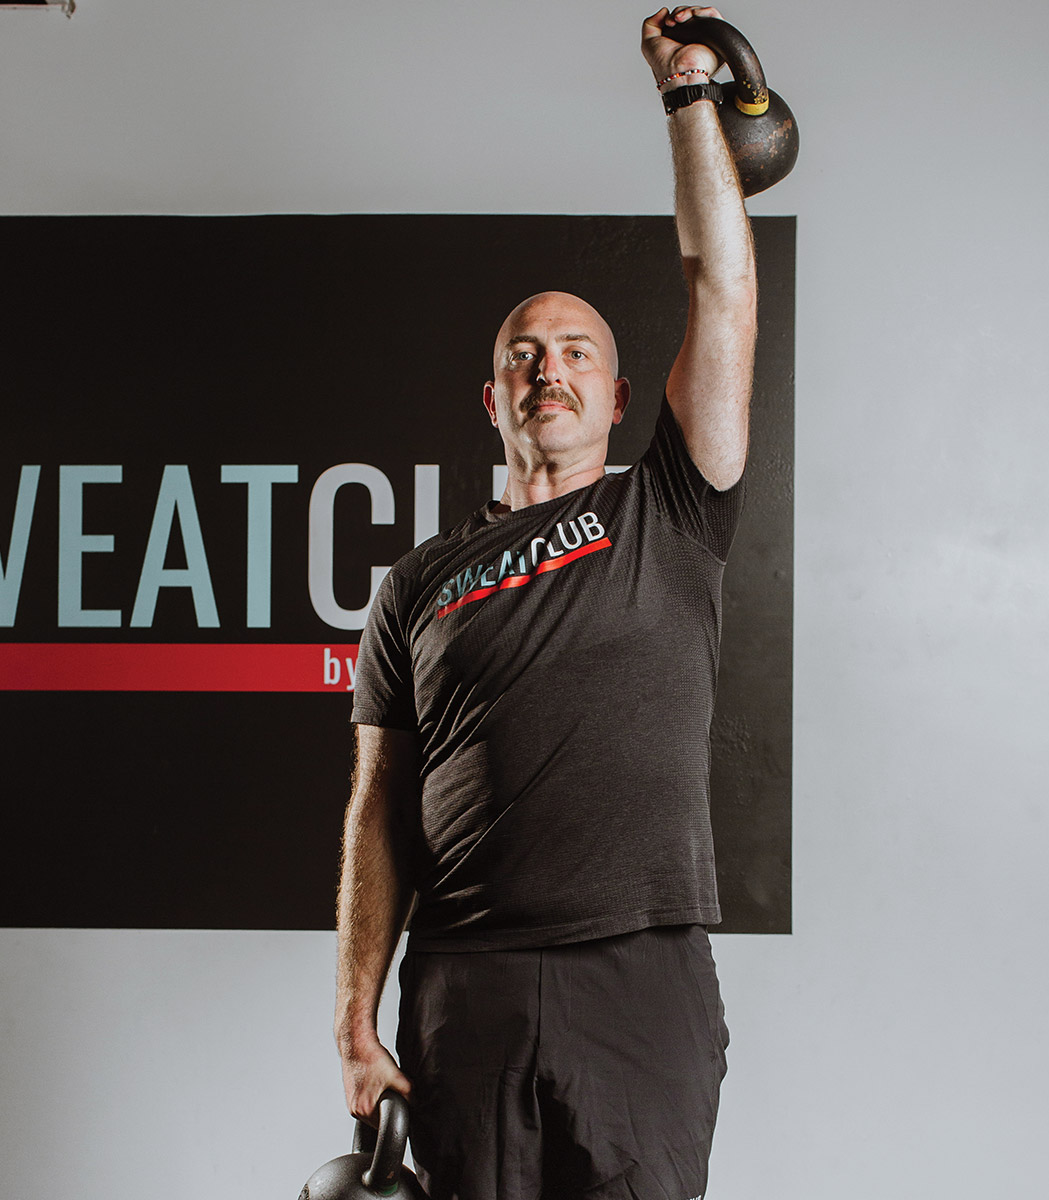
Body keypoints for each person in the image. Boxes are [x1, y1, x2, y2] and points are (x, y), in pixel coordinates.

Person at [334, 7, 757, 1198]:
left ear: (621, 397)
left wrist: (687, 100)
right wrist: (354, 1021)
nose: (549, 366)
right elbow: (376, 813)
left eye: (576, 350)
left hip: (638, 976)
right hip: (466, 981)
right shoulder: (416, 584)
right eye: (526, 351)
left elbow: (720, 291)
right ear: (492, 399)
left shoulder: (668, 509)